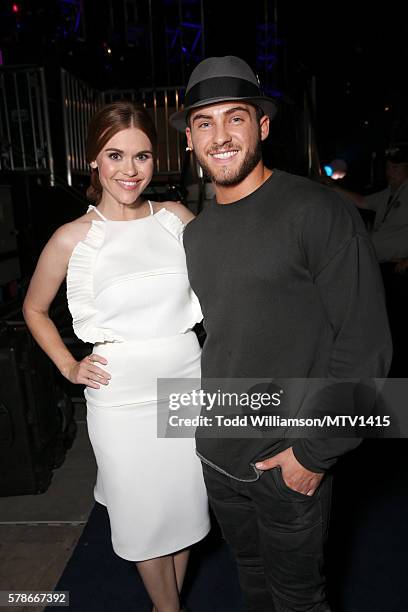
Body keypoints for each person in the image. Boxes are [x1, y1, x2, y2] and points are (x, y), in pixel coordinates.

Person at [169, 56, 392, 612]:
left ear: (263, 126)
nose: (219, 137)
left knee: (298, 600)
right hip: (218, 457)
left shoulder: (316, 211)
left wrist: (315, 455)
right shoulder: (197, 235)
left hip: (286, 458)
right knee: (252, 582)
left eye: (234, 118)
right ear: (191, 140)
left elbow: (367, 347)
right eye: (204, 123)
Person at [23, 101, 210, 612]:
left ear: (156, 160)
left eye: (142, 156)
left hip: (185, 389)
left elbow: (223, 285)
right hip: (121, 400)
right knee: (143, 519)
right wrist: (68, 366)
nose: (130, 170)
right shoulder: (71, 238)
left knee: (187, 514)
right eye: (115, 155)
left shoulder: (176, 219)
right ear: (94, 161)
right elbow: (34, 309)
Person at [333, 144, 408, 376]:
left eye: (396, 167)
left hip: (401, 272)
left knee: (398, 327)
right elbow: (362, 201)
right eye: (388, 167)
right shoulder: (389, 193)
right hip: (379, 267)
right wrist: (331, 187)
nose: (390, 171)